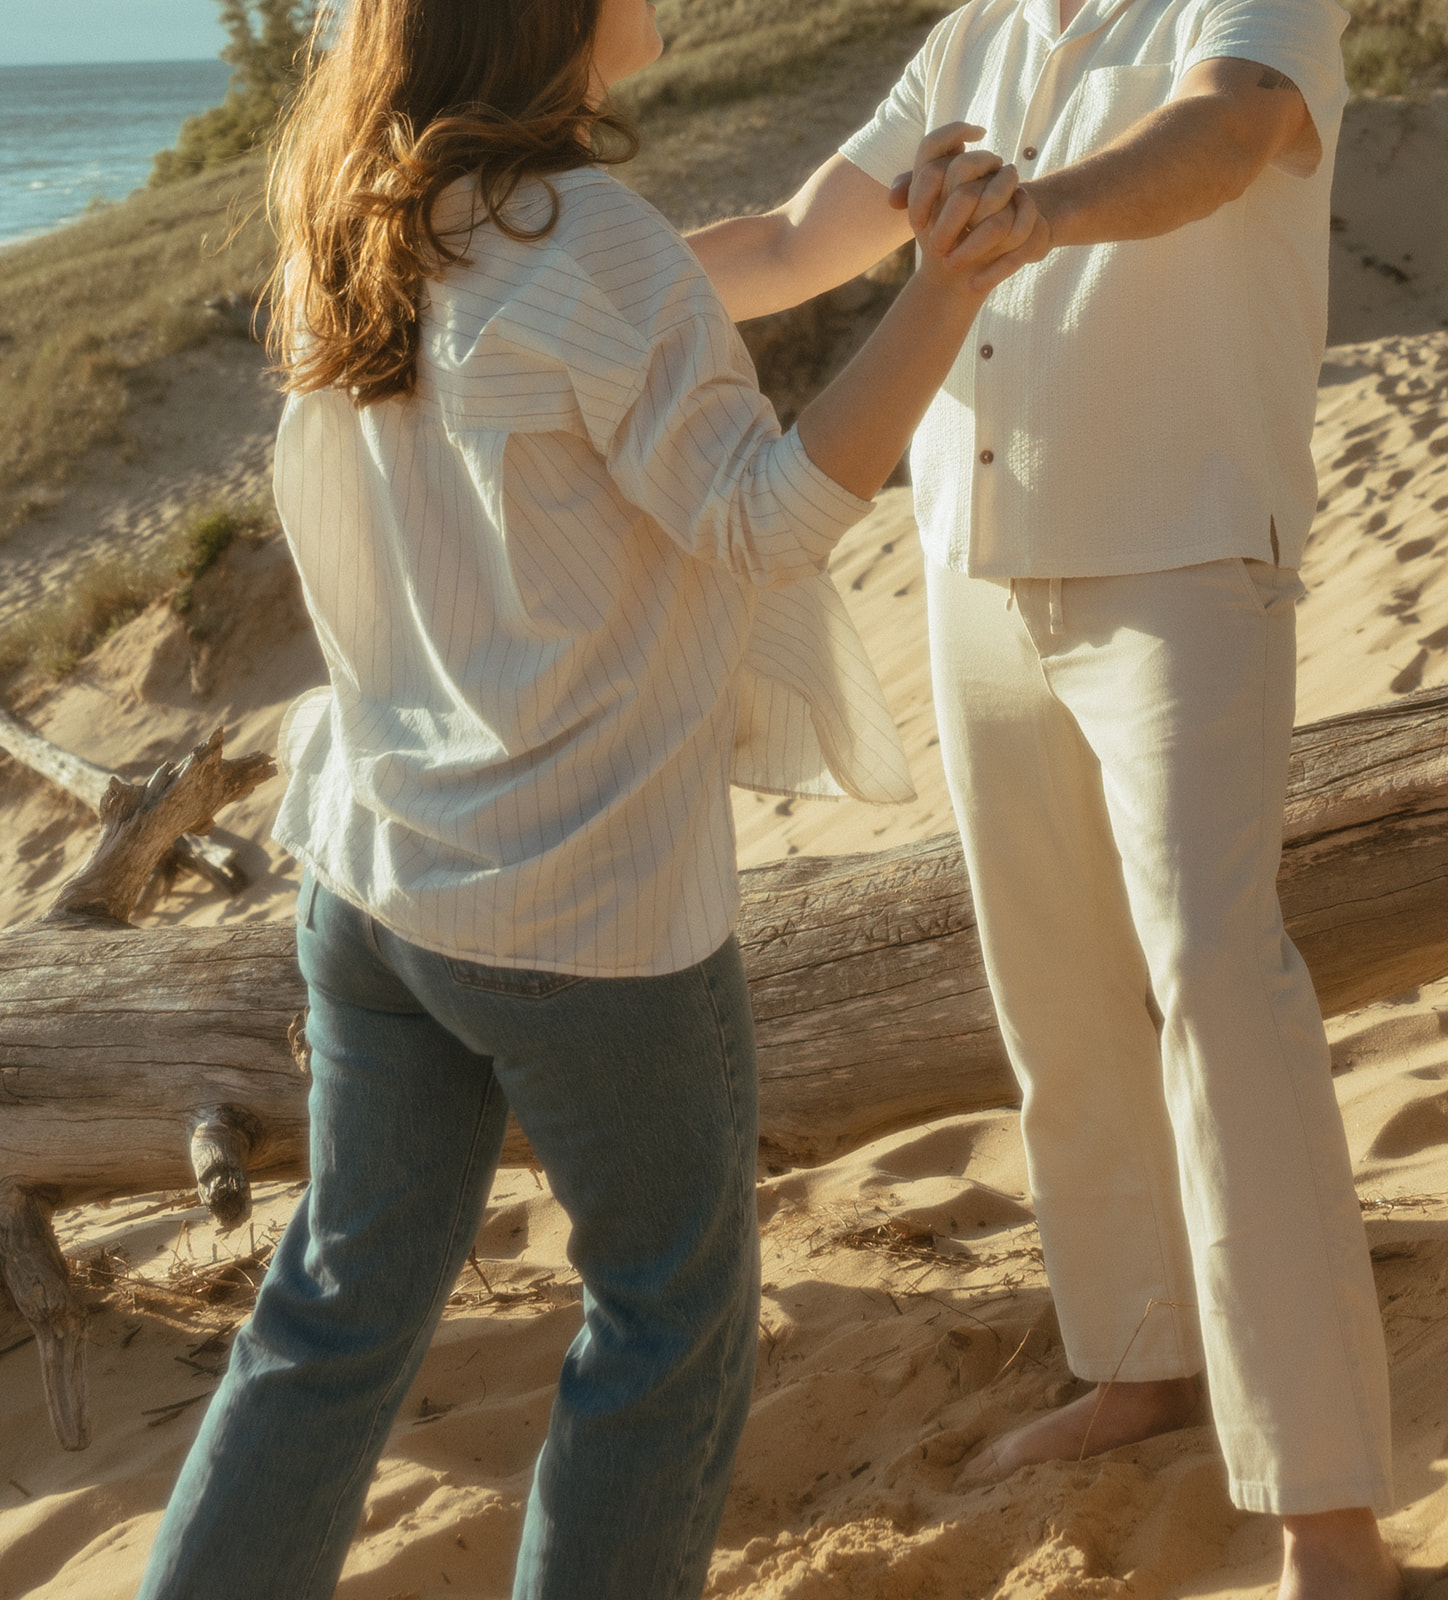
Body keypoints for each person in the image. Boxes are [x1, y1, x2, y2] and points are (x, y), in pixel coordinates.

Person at [130, 2, 1027, 1597]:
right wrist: (949, 288)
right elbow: (762, 521)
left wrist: (896, 184)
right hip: (582, 906)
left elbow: (727, 259)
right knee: (668, 1319)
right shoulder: (591, 244)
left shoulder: (379, 217)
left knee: (332, 1318)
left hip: (378, 885)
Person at [686, 2, 1401, 1597]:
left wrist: (1038, 210)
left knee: (1223, 985)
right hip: (975, 573)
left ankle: (1327, 1513)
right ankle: (1143, 1361)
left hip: (1185, 553)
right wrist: (540, 274)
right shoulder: (975, 35)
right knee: (1056, 994)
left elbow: (1219, 140)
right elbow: (804, 235)